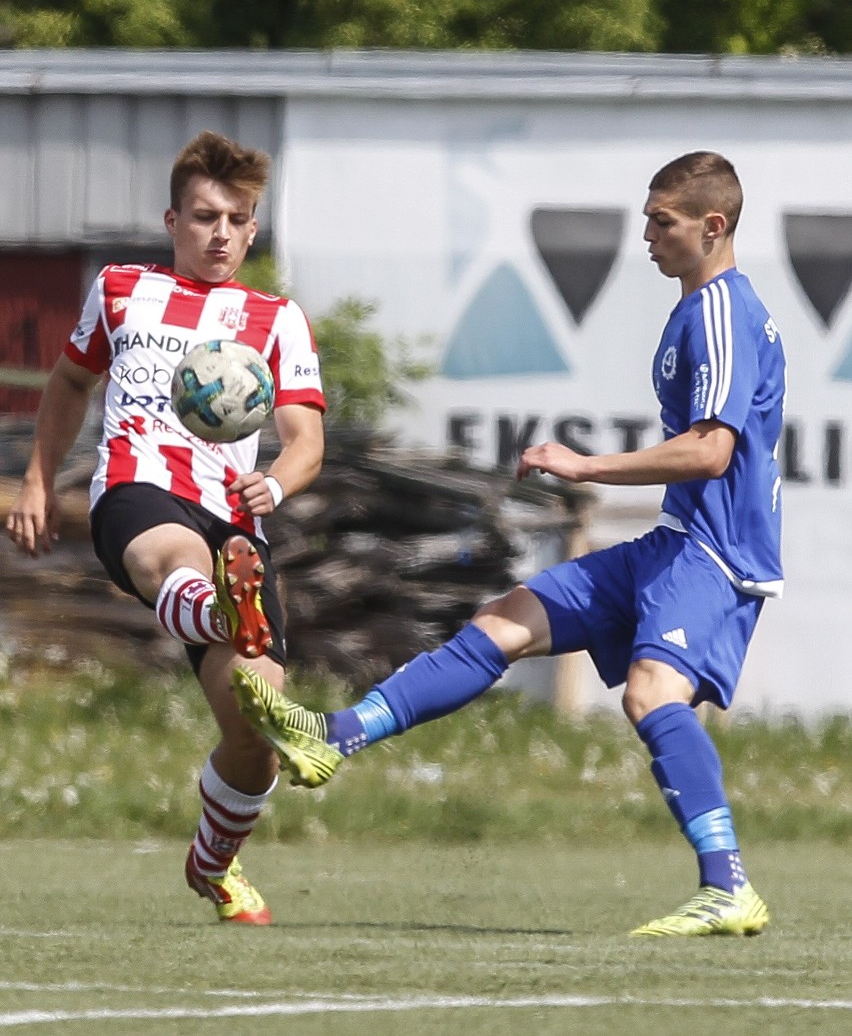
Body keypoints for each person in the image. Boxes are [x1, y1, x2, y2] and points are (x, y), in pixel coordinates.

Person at [232, 150, 785, 938]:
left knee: (650, 695)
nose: (648, 237)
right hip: (673, 543)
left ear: (713, 225)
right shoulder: (694, 308)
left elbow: (711, 451)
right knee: (504, 622)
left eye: (661, 222)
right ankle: (333, 737)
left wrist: (582, 464)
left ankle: (729, 886)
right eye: (646, 220)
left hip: (716, 553)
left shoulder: (724, 309)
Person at [5, 130, 326, 925]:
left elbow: (306, 442)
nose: (220, 233)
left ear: (254, 230)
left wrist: (274, 486)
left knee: (254, 731)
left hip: (235, 522)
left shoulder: (277, 320)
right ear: (172, 220)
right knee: (170, 560)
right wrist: (38, 481)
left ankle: (213, 865)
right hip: (138, 491)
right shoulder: (121, 290)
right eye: (204, 215)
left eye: (237, 219)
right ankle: (223, 608)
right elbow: (71, 382)